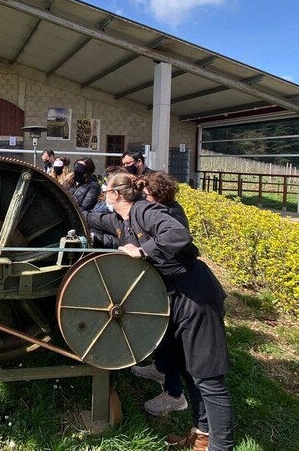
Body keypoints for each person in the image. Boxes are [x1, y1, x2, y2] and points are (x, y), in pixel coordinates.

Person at [87, 173, 233, 451]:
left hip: (194, 293)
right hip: (171, 296)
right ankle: (202, 437)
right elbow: (90, 218)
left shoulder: (144, 210)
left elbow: (178, 234)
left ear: (117, 195)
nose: (103, 195)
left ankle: (221, 447)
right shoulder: (122, 220)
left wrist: (143, 251)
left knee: (208, 376)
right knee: (189, 370)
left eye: (106, 190)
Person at [130, 172, 190, 417]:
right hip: (170, 281)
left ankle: (175, 395)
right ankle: (161, 368)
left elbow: (175, 238)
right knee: (163, 332)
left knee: (173, 337)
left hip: (180, 286)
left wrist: (143, 251)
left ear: (155, 197)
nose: (144, 201)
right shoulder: (170, 209)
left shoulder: (171, 215)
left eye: (145, 196)